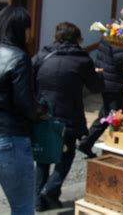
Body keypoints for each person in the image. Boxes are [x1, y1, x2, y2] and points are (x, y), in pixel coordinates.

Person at [33, 22, 104, 211]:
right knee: (67, 154)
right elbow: (95, 87)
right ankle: (50, 189)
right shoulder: (82, 59)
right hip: (69, 115)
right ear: (78, 38)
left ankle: (39, 200)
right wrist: (98, 75)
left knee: (43, 157)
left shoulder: (42, 55)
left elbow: (30, 78)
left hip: (43, 113)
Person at [0, 6, 39, 214]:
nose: (30, 33)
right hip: (7, 138)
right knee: (22, 207)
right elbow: (25, 105)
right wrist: (41, 110)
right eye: (28, 28)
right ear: (19, 28)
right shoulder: (19, 57)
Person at [78, 5, 123, 158]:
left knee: (107, 113)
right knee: (113, 116)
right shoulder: (119, 34)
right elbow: (120, 59)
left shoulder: (114, 32)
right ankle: (113, 147)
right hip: (115, 83)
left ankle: (87, 142)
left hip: (110, 82)